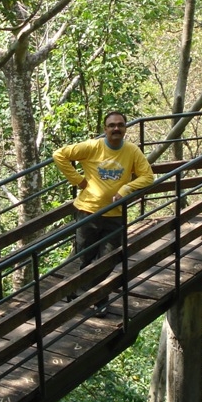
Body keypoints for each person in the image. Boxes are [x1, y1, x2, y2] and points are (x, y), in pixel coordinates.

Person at [52, 111, 155, 316]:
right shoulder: (93, 146)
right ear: (105, 129)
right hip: (88, 211)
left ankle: (81, 292)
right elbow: (59, 155)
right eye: (111, 125)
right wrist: (78, 181)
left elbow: (148, 176)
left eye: (120, 125)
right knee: (84, 256)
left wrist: (126, 189)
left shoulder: (131, 151)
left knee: (108, 259)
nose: (116, 128)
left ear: (125, 128)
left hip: (115, 214)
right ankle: (97, 298)